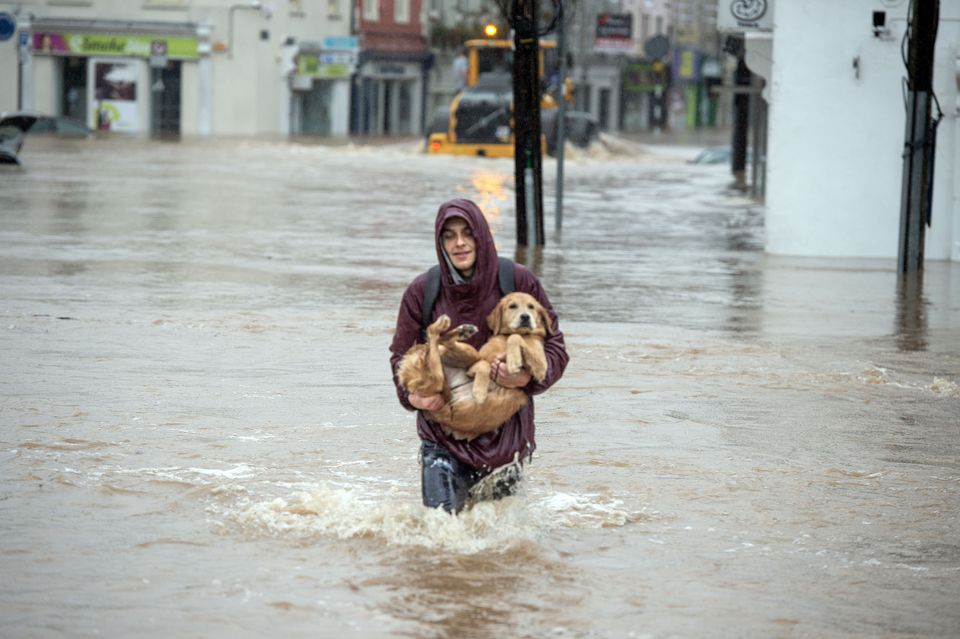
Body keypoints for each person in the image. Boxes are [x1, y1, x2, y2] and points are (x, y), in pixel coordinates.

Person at [389, 199, 568, 514]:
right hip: (442, 439)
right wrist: (412, 398)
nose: (459, 243)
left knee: (501, 549)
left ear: (482, 235)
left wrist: (527, 379)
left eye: (467, 233)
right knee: (441, 536)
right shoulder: (422, 291)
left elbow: (556, 348)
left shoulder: (518, 281)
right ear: (439, 242)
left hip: (506, 442)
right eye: (449, 235)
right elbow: (400, 356)